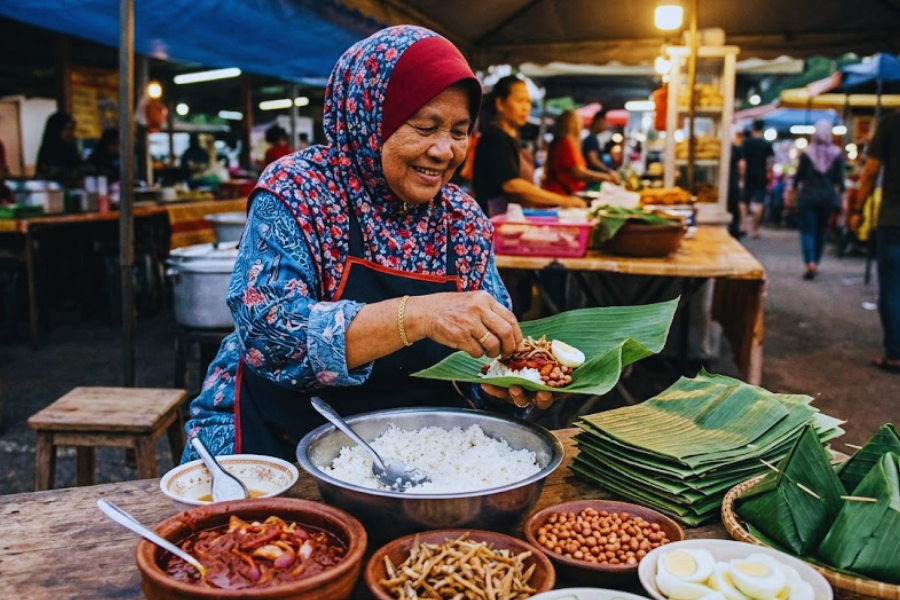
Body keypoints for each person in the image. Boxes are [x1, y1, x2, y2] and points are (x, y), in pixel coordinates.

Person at [181, 26, 561, 462]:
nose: (444, 150)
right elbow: (268, 332)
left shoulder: (463, 221)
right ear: (369, 117)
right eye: (425, 126)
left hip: (413, 454)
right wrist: (417, 315)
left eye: (459, 131)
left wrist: (496, 385)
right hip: (276, 442)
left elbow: (484, 360)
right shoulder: (301, 191)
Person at [472, 75, 586, 216]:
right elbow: (512, 185)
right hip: (492, 222)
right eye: (520, 101)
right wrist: (565, 201)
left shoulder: (510, 138)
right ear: (500, 104)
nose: (526, 108)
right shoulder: (495, 137)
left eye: (528, 102)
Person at [858, 109, 900, 373]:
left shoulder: (890, 124)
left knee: (893, 287)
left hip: (893, 219)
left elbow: (870, 172)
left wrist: (857, 209)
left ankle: (895, 353)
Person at [792, 120, 844, 280]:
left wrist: (794, 191)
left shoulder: (807, 153)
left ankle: (810, 263)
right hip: (827, 198)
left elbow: (799, 177)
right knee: (821, 231)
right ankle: (817, 261)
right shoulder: (836, 154)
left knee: (807, 231)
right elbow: (839, 180)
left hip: (808, 196)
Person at [543, 109, 616, 195]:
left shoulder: (565, 143)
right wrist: (606, 177)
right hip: (561, 193)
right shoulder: (565, 143)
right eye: (578, 120)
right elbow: (577, 172)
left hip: (565, 192)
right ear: (571, 124)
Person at [740, 119, 774, 238]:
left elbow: (742, 163)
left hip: (748, 175)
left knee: (744, 201)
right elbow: (770, 163)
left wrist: (742, 178)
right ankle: (755, 229)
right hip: (761, 176)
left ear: (753, 128)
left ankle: (744, 225)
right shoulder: (766, 145)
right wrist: (769, 176)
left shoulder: (746, 143)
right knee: (759, 202)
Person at [35, 111, 83, 186]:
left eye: (72, 130)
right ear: (56, 130)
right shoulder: (48, 152)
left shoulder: (71, 149)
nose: (71, 133)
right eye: (67, 129)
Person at [581, 109, 620, 184]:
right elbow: (593, 160)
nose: (606, 125)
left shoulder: (593, 138)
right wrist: (609, 171)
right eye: (604, 122)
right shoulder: (591, 139)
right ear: (597, 122)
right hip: (592, 180)